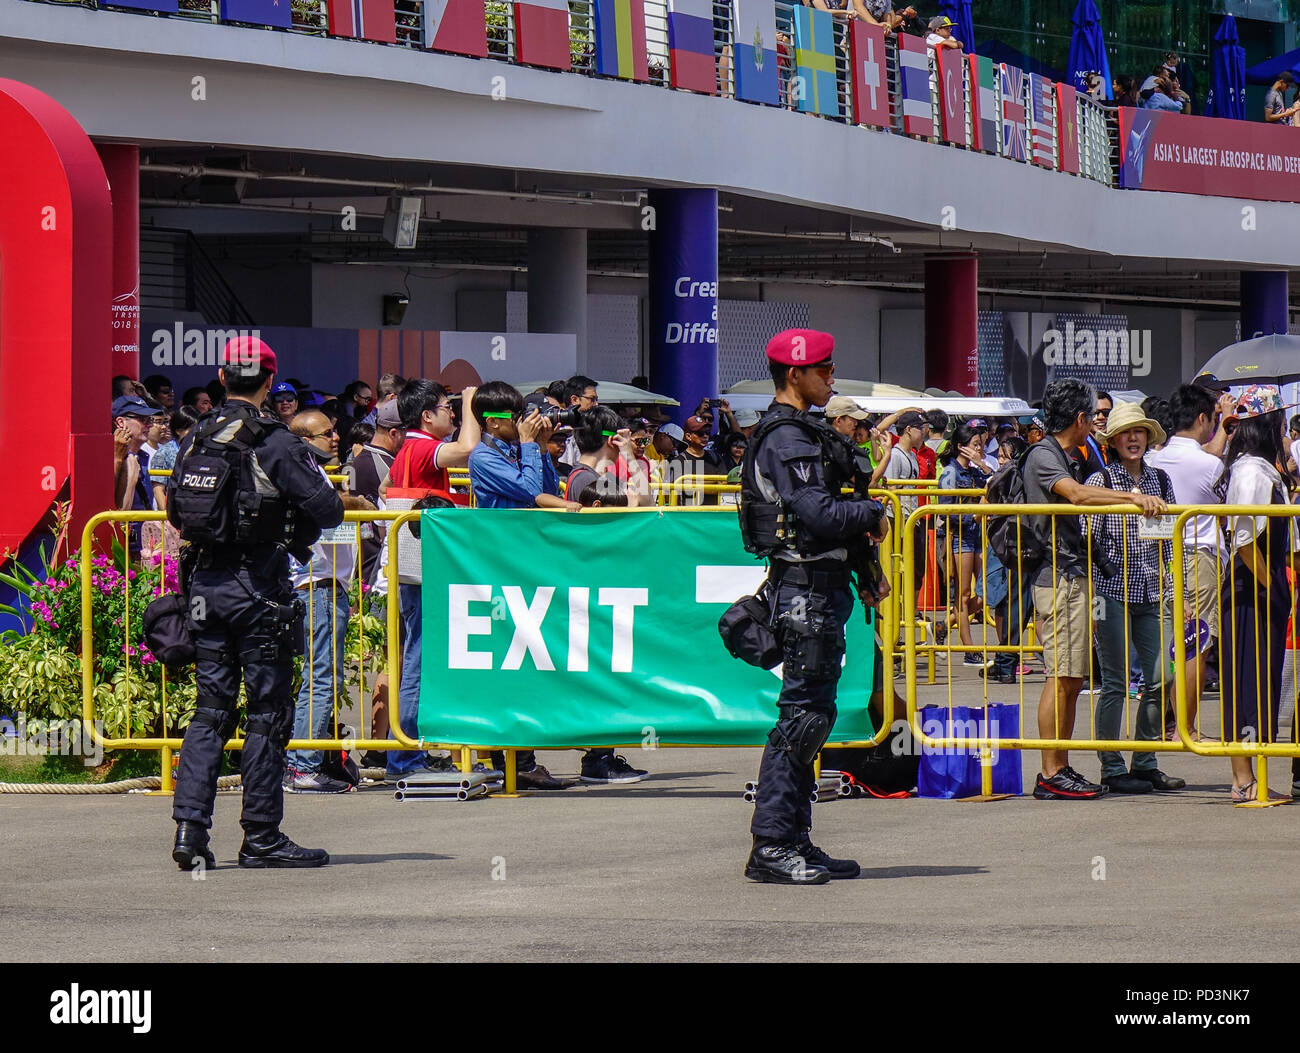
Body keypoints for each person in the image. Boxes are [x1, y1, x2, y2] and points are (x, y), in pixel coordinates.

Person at [166, 336, 344, 870]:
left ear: (222, 379)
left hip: (203, 588)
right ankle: (261, 836)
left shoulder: (196, 436)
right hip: (258, 589)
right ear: (270, 381)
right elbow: (329, 509)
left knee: (210, 710)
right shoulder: (275, 440)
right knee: (268, 713)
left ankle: (189, 832)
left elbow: (177, 512)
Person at [738, 329, 888, 884]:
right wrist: (872, 516)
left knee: (813, 715)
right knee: (800, 716)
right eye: (822, 370)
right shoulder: (785, 437)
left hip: (820, 587)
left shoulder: (806, 431)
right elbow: (821, 514)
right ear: (793, 375)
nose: (831, 377)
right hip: (803, 591)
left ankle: (794, 837)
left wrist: (864, 567)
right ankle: (772, 844)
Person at [1024, 379, 1165, 800]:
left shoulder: (1062, 454)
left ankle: (1060, 765)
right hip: (1058, 576)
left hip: (1070, 575)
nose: (1098, 423)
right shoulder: (1045, 456)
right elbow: (1079, 496)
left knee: (1069, 677)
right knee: (1061, 675)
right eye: (1096, 416)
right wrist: (1131, 498)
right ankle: (1051, 769)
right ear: (1081, 418)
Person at [383, 379, 481, 783]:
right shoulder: (422, 445)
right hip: (421, 568)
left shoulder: (406, 449)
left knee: (416, 657)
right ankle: (405, 757)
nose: (454, 413)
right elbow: (467, 448)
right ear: (426, 415)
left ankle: (409, 750)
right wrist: (473, 401)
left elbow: (386, 488)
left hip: (413, 567)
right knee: (419, 660)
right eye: (447, 407)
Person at [1085, 402, 1185, 794]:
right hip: (1110, 592)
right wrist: (1092, 602)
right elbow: (1089, 543)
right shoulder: (1098, 482)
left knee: (1161, 677)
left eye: (1139, 432)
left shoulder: (1161, 480)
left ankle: (1145, 761)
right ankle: (1111, 765)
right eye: (1126, 433)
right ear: (1112, 440)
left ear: (1148, 437)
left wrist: (1180, 592)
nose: (1133, 438)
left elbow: (1171, 543)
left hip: (1153, 591)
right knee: (1114, 682)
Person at [1220, 387, 1297, 801]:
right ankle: (1244, 779)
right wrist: (1272, 586)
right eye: (1280, 420)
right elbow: (1245, 539)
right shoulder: (1251, 472)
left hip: (1262, 583)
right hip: (1252, 587)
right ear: (1268, 424)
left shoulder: (1264, 469)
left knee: (1260, 679)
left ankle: (1250, 777)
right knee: (1247, 680)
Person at [284, 411, 359, 794]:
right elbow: (328, 506)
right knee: (322, 678)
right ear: (303, 440)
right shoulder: (304, 473)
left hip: (327, 587)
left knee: (321, 677)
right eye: (325, 433)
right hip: (318, 587)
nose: (334, 438)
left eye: (334, 431)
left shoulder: (314, 470)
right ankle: (302, 765)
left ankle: (302, 762)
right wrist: (356, 501)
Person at [1146, 384, 1226, 739]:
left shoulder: (1151, 459)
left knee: (1166, 643)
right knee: (1195, 643)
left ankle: (1162, 724)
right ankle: (1186, 729)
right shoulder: (1210, 464)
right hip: (1197, 555)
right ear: (1202, 418)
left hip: (1155, 556)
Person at [937, 421, 993, 666]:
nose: (979, 449)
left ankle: (942, 625)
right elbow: (945, 509)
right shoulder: (950, 472)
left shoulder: (975, 471)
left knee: (985, 590)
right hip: (960, 535)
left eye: (981, 444)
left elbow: (995, 483)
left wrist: (981, 463)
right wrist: (972, 514)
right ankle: (968, 648)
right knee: (963, 593)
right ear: (961, 447)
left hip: (978, 534)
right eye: (975, 445)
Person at [150, 405, 201, 512]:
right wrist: (168, 516)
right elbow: (158, 490)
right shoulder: (164, 453)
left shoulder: (201, 450)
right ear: (178, 430)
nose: (196, 433)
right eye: (192, 429)